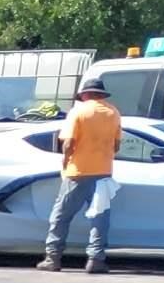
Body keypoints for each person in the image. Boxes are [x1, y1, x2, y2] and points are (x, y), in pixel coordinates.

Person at [39, 79, 121, 273]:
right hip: (103, 173)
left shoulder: (79, 111)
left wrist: (66, 161)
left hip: (78, 172)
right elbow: (116, 145)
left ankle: (53, 258)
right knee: (100, 218)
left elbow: (68, 143)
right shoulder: (114, 113)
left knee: (61, 216)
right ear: (101, 94)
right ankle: (96, 260)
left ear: (85, 94)